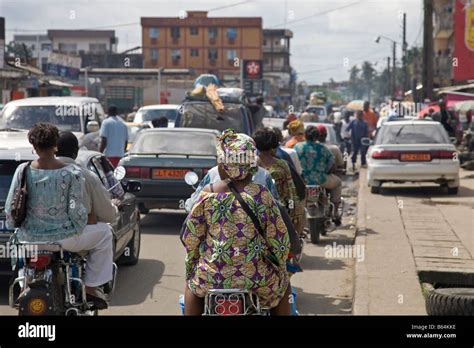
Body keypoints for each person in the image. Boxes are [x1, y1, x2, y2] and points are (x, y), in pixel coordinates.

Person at [181, 129, 291, 315]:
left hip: (212, 275)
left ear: (223, 165)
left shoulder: (208, 193)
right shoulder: (263, 195)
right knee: (284, 286)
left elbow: (190, 238)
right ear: (252, 164)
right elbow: (280, 242)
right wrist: (278, 264)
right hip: (258, 277)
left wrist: (193, 262)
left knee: (191, 285)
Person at [5, 124, 107, 308]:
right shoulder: (71, 173)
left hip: (29, 240)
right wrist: (86, 221)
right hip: (64, 240)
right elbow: (76, 210)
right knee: (105, 234)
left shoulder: (23, 170)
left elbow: (11, 207)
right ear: (56, 146)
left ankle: (23, 286)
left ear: (34, 147)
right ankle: (91, 288)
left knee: (21, 254)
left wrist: (16, 227)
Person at [56, 131, 120, 307]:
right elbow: (108, 214)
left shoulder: (31, 171)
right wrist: (111, 209)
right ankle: (91, 287)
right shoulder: (85, 175)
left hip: (35, 236)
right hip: (67, 238)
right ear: (76, 152)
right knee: (106, 233)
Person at [254, 128, 305, 236]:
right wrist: (295, 217)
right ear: (274, 144)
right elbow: (290, 193)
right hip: (278, 215)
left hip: (254, 213)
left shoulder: (250, 164)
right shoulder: (282, 164)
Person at [295, 126, 342, 224]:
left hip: (302, 180)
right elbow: (332, 164)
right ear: (317, 137)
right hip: (321, 179)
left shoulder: (297, 147)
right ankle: (335, 210)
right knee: (338, 183)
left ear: (305, 135)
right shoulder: (323, 148)